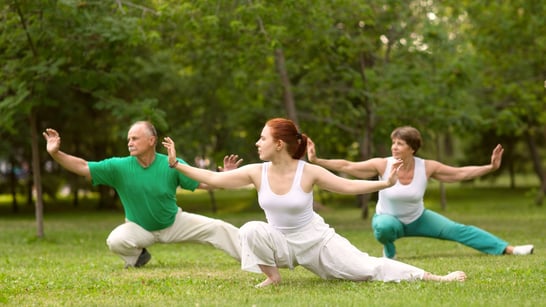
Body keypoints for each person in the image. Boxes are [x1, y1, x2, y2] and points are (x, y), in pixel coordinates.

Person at [162, 118, 466, 288]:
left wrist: (384, 183)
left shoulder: (308, 172)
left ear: (278, 144)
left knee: (367, 269)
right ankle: (273, 277)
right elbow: (213, 179)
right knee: (251, 229)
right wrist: (177, 165)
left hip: (317, 242)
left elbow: (347, 185)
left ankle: (434, 277)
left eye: (262, 138)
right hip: (281, 242)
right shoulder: (256, 172)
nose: (257, 143)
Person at [307, 125, 534, 259]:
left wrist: (491, 167)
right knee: (385, 227)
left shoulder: (427, 167)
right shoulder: (382, 164)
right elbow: (348, 166)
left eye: (400, 143)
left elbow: (459, 173)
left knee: (460, 230)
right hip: (389, 220)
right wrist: (317, 160)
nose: (394, 147)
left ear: (412, 148)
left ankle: (509, 249)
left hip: (418, 218)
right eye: (393, 142)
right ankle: (389, 249)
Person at [43, 120, 243, 268]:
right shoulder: (118, 167)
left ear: (151, 140)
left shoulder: (171, 163)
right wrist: (55, 153)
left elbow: (203, 183)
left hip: (174, 222)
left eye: (135, 138)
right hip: (139, 228)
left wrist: (225, 176)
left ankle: (252, 257)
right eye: (129, 139)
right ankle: (138, 257)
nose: (130, 142)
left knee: (218, 227)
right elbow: (84, 166)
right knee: (115, 240)